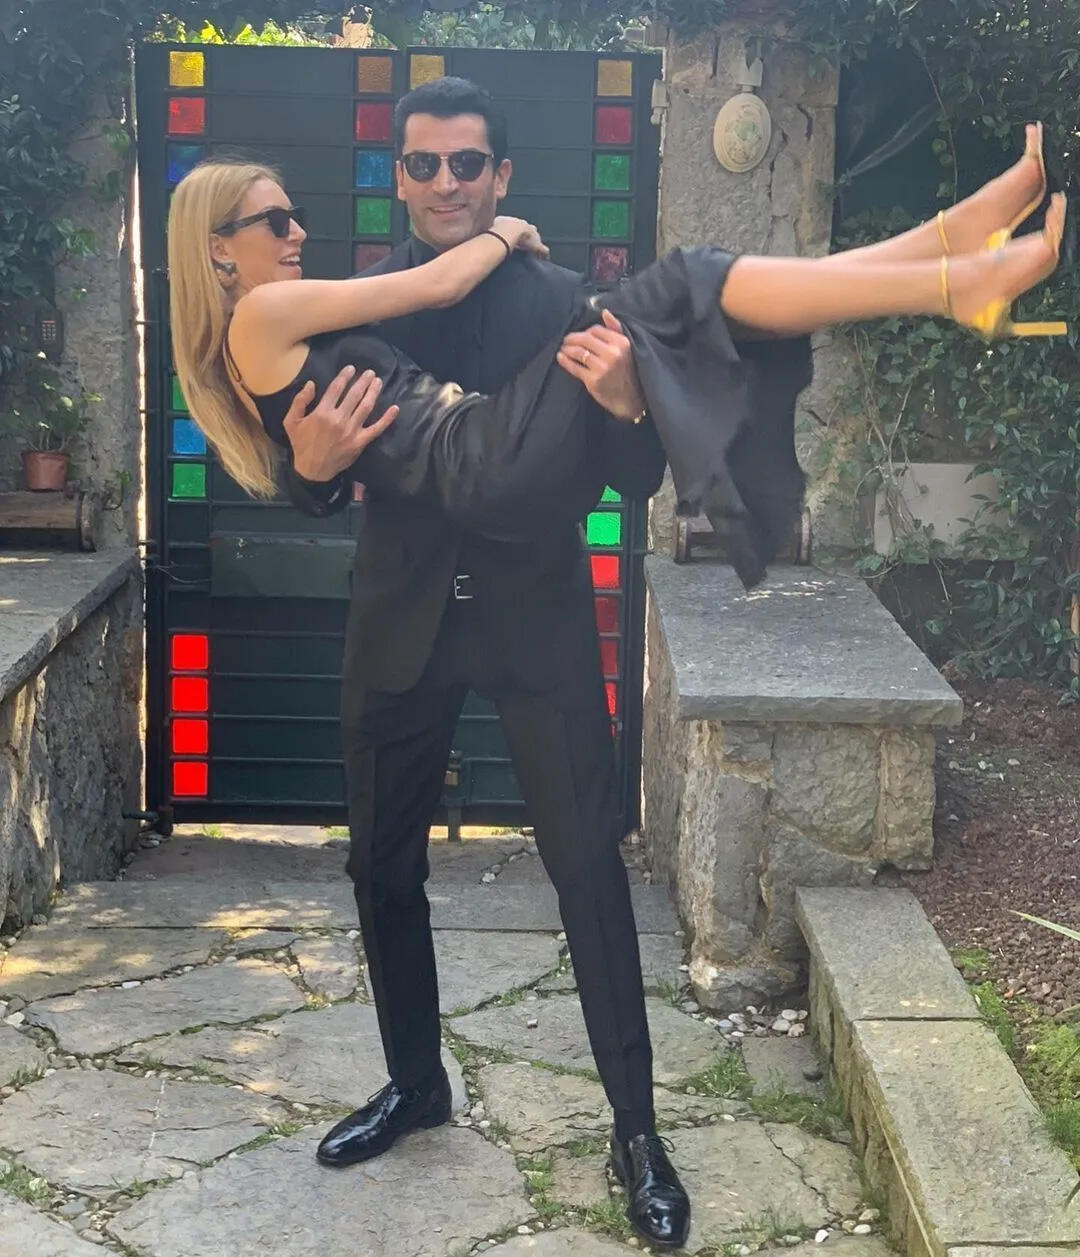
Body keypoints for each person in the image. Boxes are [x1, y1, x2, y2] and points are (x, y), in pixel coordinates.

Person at [167, 80, 1065, 1245]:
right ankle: (415, 1085)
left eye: (469, 165)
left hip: (532, 618)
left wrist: (633, 405)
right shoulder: (346, 297)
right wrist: (310, 468)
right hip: (402, 624)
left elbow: (630, 479)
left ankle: (635, 1129)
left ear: (499, 171)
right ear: (401, 178)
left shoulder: (552, 300)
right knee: (380, 872)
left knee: (589, 869)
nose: (446, 182)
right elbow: (319, 470)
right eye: (425, 164)